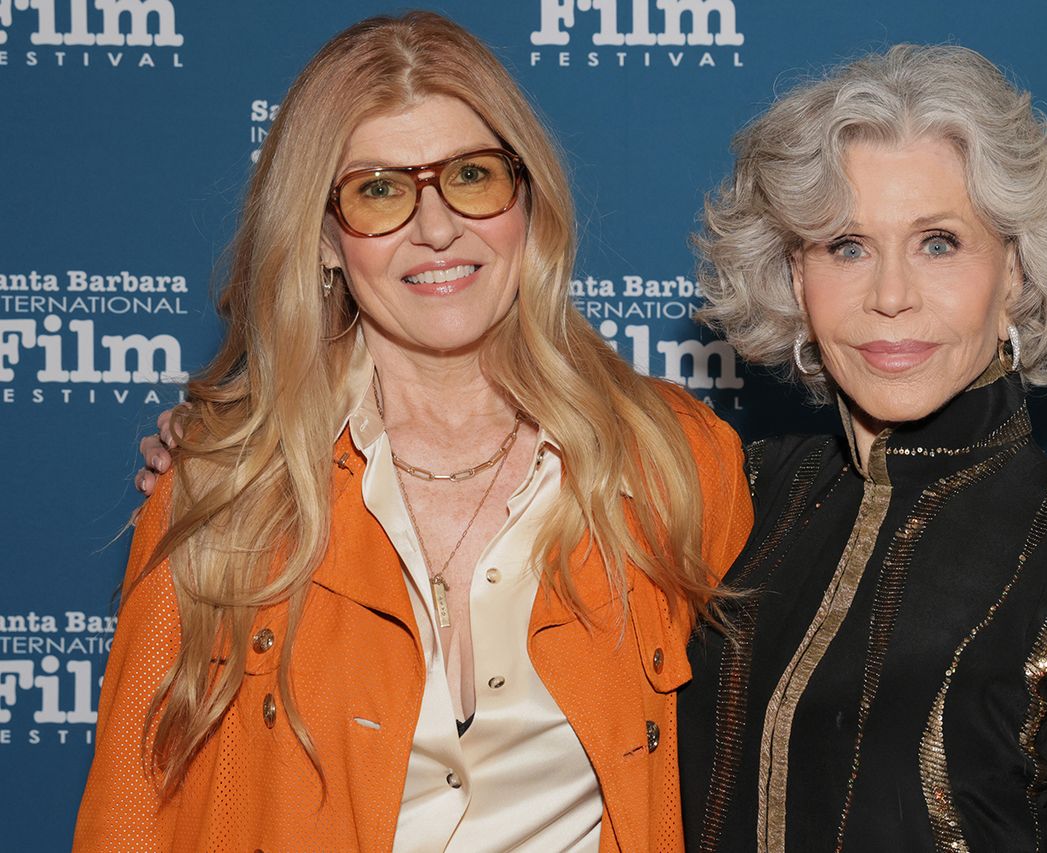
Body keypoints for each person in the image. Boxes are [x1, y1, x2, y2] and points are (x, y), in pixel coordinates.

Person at [75, 12, 751, 853]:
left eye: (472, 176)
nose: (437, 229)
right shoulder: (225, 490)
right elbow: (129, 814)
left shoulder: (673, 461)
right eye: (381, 190)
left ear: (527, 200)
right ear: (324, 238)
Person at [677, 45, 1047, 852]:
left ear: (1016, 272)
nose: (891, 296)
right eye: (846, 246)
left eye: (939, 243)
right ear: (797, 277)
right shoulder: (738, 497)